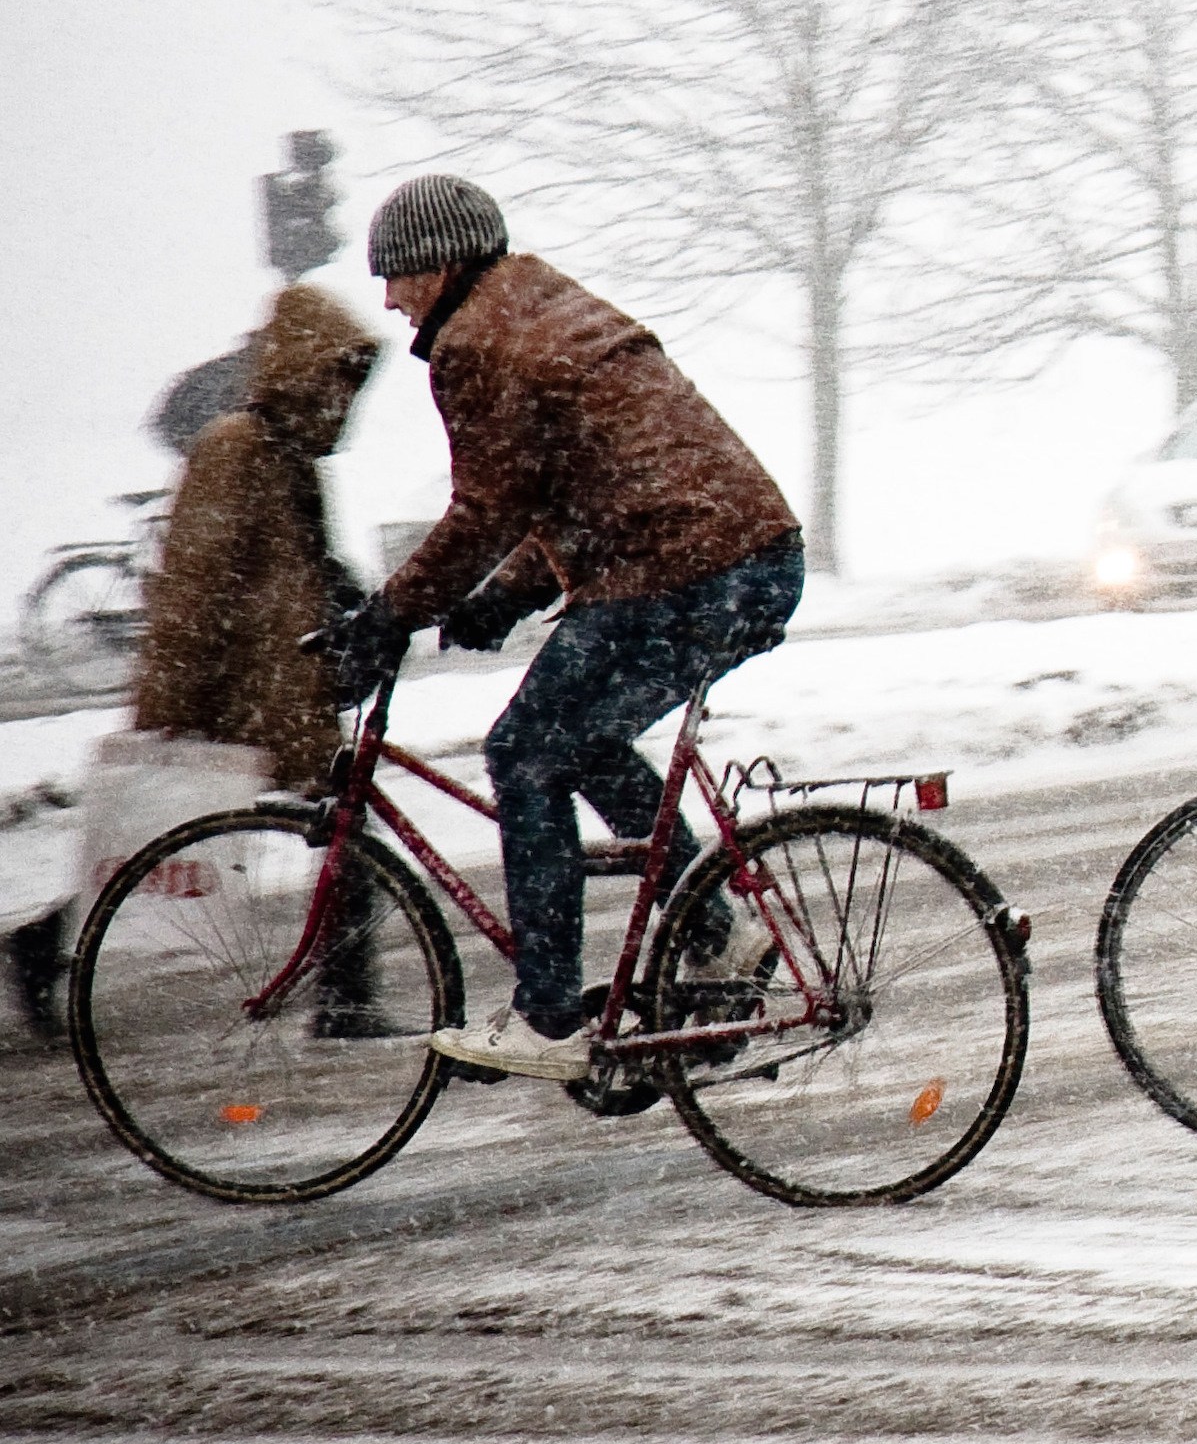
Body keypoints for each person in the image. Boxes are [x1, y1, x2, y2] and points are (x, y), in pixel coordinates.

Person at [314, 176, 805, 1080]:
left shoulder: (480, 339)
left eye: (398, 275)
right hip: (747, 557)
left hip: (679, 571)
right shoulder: (540, 306)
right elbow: (586, 483)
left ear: (446, 262)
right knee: (576, 740)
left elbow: (486, 508)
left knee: (524, 752)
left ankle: (548, 1017)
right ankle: (715, 934)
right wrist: (501, 597)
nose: (389, 299)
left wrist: (390, 615)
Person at [74, 284, 390, 1037]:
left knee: (346, 827)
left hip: (282, 691)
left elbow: (311, 569)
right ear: (300, 372)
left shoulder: (288, 460)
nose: (343, 401)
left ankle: (347, 1001)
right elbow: (193, 590)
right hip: (238, 697)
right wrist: (168, 713)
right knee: (153, 838)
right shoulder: (235, 451)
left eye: (351, 386)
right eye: (333, 380)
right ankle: (46, 943)